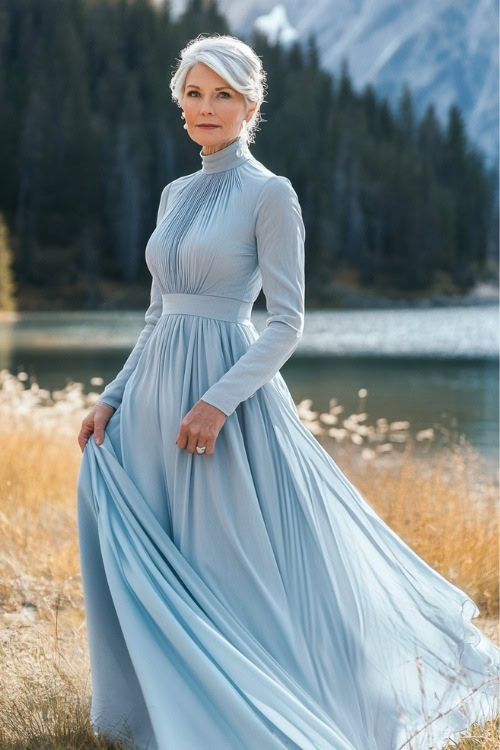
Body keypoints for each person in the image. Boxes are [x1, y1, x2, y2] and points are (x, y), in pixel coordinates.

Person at [77, 33, 499, 750]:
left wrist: (217, 401)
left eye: (224, 95)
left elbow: (287, 323)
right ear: (179, 102)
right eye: (195, 92)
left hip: (223, 401)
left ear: (250, 105)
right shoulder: (174, 192)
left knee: (227, 564)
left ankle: (256, 708)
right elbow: (156, 313)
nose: (207, 107)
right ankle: (155, 712)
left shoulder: (270, 192)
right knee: (147, 546)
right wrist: (112, 396)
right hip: (151, 397)